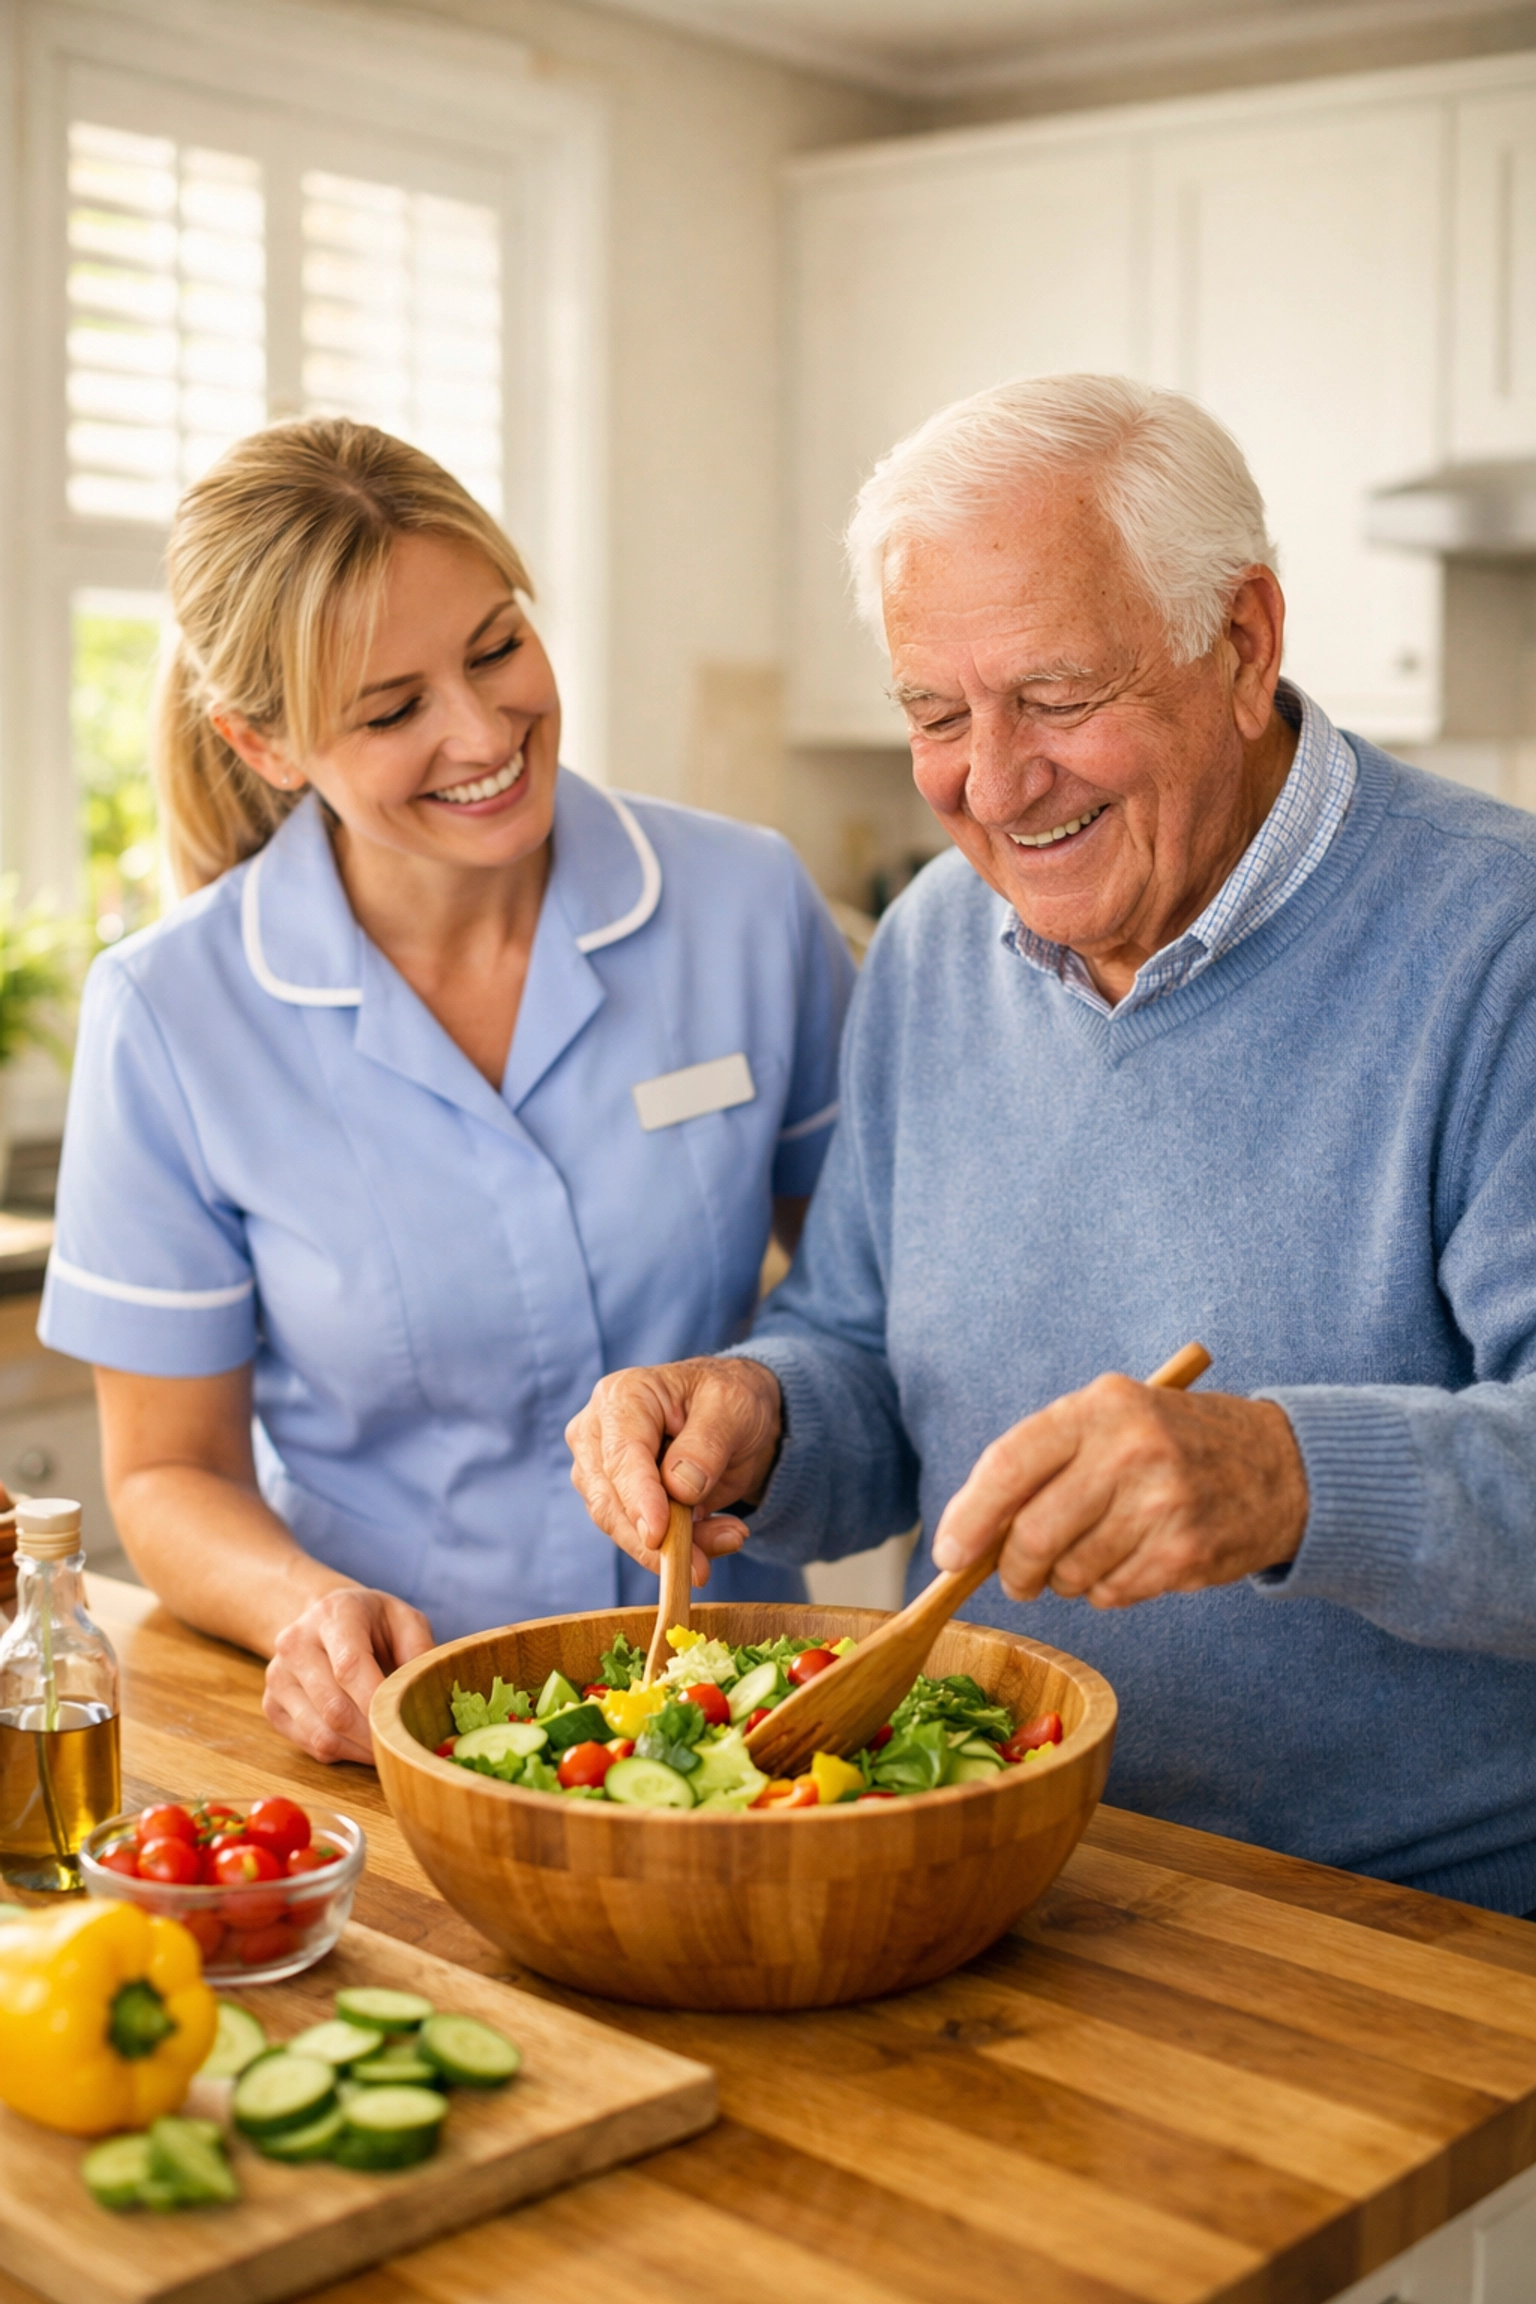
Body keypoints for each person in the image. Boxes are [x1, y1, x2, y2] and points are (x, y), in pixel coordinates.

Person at [569, 372, 1536, 1917]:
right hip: (995, 1877)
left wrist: (1282, 1479)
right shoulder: (938, 940)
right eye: (936, 714)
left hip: (1406, 1939)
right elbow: (872, 1359)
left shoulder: (1501, 943)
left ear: (1243, 642)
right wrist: (764, 1408)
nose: (996, 784)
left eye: (1060, 698)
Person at [41, 419, 853, 1765]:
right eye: (392, 707)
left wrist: (760, 1396)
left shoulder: (747, 907)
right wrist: (306, 1611)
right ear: (267, 745)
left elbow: (869, 1304)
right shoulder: (174, 1016)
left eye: (496, 647)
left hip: (737, 1718)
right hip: (399, 1735)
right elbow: (166, 1472)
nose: (484, 731)